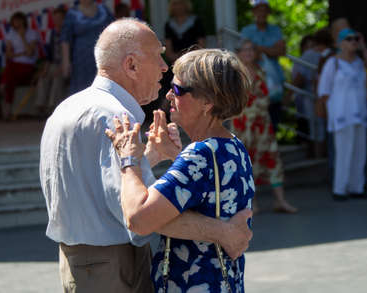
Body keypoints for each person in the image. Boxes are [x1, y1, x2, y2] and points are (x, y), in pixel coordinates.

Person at [40, 18, 252, 293]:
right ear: (131, 65)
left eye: (178, 89)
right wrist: (223, 232)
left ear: (207, 102)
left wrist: (147, 159)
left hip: (85, 263)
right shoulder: (116, 117)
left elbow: (105, 189)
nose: (164, 69)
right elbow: (137, 216)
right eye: (159, 56)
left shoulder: (70, 107)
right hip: (113, 266)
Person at [106, 47, 254, 292]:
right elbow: (207, 192)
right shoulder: (233, 147)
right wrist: (173, 156)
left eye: (178, 89)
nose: (168, 95)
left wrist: (128, 158)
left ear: (207, 101)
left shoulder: (199, 155)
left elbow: (139, 219)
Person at [232, 39, 297, 214]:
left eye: (251, 50)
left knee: (272, 157)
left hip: (262, 122)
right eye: (244, 50)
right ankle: (252, 202)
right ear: (238, 53)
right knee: (247, 160)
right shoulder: (235, 74)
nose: (248, 53)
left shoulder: (261, 70)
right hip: (243, 123)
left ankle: (280, 200)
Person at [317, 28, 367, 201]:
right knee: (343, 152)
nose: (353, 41)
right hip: (342, 115)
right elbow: (323, 91)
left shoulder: (360, 62)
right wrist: (331, 112)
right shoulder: (333, 63)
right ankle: (339, 189)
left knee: (359, 152)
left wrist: (364, 47)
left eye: (355, 38)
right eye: (349, 39)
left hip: (360, 114)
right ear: (340, 43)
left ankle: (357, 187)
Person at [155, 0, 206, 120]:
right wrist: (179, 61)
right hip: (176, 63)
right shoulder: (169, 24)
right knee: (168, 83)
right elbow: (168, 50)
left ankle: (195, 114)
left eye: (181, 3)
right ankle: (163, 115)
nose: (178, 6)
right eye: (175, 3)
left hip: (194, 62)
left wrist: (189, 59)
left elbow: (201, 45)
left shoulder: (196, 22)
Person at [240, 0, 286, 132]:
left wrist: (259, 48)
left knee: (273, 121)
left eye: (264, 9)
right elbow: (246, 53)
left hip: (273, 83)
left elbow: (281, 51)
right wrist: (270, 50)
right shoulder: (246, 30)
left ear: (268, 12)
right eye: (258, 9)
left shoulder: (275, 30)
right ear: (254, 12)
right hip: (254, 81)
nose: (261, 13)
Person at [291, 30, 334, 158]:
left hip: (315, 97)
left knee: (317, 127)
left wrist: (289, 94)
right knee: (319, 127)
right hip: (322, 98)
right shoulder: (332, 55)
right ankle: (321, 155)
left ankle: (319, 155)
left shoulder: (316, 55)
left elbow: (301, 77)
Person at [61, 0, 114, 95]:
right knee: (82, 91)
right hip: (81, 61)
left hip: (104, 57)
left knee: (104, 88)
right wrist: (66, 62)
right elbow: (65, 39)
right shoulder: (72, 13)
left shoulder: (104, 10)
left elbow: (114, 30)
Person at [1, 11, 40, 120]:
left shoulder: (32, 33)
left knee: (9, 75)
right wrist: (22, 53)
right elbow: (8, 54)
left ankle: (7, 105)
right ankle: (7, 107)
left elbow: (30, 53)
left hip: (27, 65)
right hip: (14, 65)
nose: (16, 23)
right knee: (10, 76)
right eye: (14, 21)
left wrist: (23, 37)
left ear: (23, 21)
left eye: (19, 20)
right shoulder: (10, 34)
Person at [35, 7, 67, 117]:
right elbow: (48, 55)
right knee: (43, 76)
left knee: (57, 77)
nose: (57, 21)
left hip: (66, 64)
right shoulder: (51, 34)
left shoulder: (68, 33)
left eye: (59, 19)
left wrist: (63, 67)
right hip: (54, 64)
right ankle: (40, 106)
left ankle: (52, 107)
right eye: (55, 19)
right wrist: (45, 69)